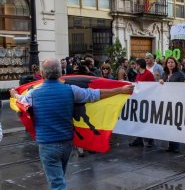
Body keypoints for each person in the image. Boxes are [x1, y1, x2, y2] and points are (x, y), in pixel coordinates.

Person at [9, 59, 133, 190]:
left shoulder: (33, 94)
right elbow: (95, 94)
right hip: (67, 144)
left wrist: (14, 94)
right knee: (59, 176)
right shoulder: (71, 90)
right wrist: (120, 90)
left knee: (57, 183)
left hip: (47, 145)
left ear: (43, 74)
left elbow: (20, 100)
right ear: (60, 73)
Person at [159, 57, 185, 153]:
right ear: (166, 64)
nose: (170, 64)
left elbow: (184, 87)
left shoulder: (180, 74)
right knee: (169, 124)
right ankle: (171, 145)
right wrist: (161, 81)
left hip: (176, 102)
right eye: (168, 62)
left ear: (175, 63)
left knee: (175, 124)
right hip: (166, 102)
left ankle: (176, 146)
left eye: (172, 62)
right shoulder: (164, 74)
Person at [130, 58, 155, 147]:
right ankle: (139, 139)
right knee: (139, 120)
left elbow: (152, 87)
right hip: (139, 101)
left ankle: (150, 140)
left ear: (139, 65)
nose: (134, 66)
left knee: (147, 121)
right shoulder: (139, 74)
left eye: (135, 65)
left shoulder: (148, 74)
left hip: (147, 101)